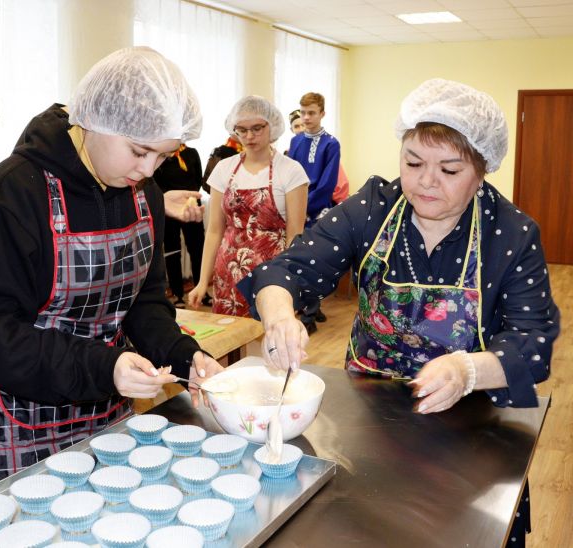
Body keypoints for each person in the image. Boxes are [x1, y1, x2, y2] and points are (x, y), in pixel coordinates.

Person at [239, 78, 559, 547]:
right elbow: (285, 270)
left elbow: (533, 345)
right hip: (366, 421)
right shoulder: (374, 206)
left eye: (449, 170)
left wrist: (467, 370)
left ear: (483, 168)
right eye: (413, 163)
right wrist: (280, 315)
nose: (426, 181)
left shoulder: (509, 233)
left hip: (470, 428)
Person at [0, 47, 224, 492]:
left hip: (104, 405)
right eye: (139, 151)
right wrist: (106, 366)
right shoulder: (10, 196)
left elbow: (145, 303)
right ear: (95, 121)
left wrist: (181, 354)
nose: (148, 170)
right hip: (15, 416)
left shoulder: (143, 192)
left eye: (163, 157)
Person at [187, 95, 308, 316]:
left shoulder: (291, 171)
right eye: (241, 130)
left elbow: (294, 236)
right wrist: (203, 281)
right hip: (228, 273)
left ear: (272, 126)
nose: (249, 136)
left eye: (257, 128)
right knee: (231, 341)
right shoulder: (224, 169)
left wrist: (292, 284)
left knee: (269, 341)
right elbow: (215, 230)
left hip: (272, 275)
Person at [288, 92, 341, 333]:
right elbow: (292, 176)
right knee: (297, 259)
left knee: (313, 261)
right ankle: (310, 306)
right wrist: (293, 205)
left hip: (318, 209)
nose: (306, 118)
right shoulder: (296, 142)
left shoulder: (331, 144)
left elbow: (328, 183)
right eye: (303, 113)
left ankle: (309, 316)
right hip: (297, 206)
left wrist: (305, 206)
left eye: (311, 113)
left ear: (322, 114)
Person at [154, 145, 208, 307]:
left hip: (192, 207)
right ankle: (177, 294)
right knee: (172, 251)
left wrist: (190, 200)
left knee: (197, 249)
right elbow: (155, 182)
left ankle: (201, 290)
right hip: (168, 209)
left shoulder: (191, 153)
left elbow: (198, 178)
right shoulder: (161, 153)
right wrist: (167, 201)